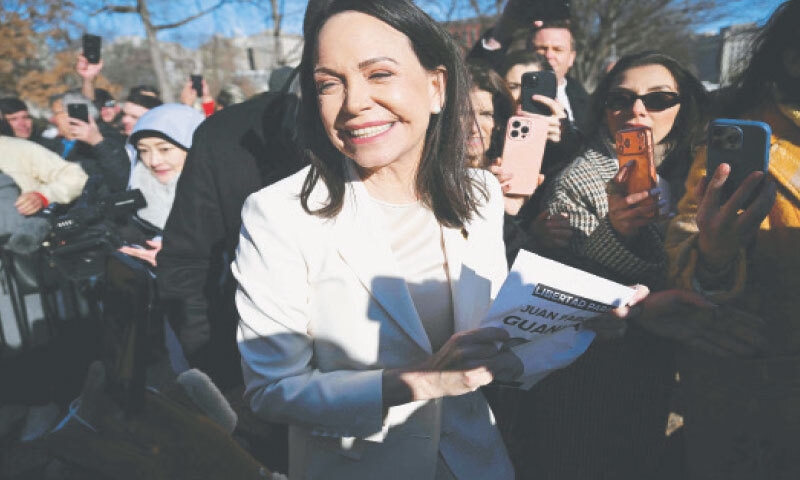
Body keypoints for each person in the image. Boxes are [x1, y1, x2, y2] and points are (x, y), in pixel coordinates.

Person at [507, 51, 715, 479]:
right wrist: (621, 232)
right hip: (597, 375)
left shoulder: (697, 171)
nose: (636, 110)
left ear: (685, 106)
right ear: (603, 110)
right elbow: (571, 284)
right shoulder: (580, 179)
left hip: (675, 367)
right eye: (620, 99)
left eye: (658, 100)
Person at [664, 1, 800, 478]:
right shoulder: (748, 146)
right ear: (791, 59)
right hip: (762, 407)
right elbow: (682, 252)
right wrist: (713, 258)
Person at [117, 103, 205, 266]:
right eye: (143, 150)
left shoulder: (223, 196)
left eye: (164, 149)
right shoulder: (134, 199)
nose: (154, 161)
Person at [44, 90, 130, 192]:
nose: (52, 119)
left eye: (56, 113)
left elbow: (120, 177)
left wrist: (98, 143)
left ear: (71, 114)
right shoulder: (55, 144)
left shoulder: (106, 137)